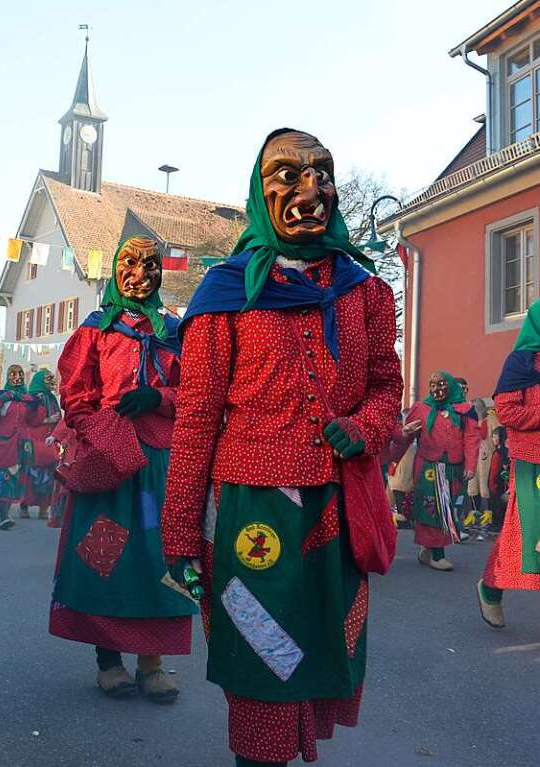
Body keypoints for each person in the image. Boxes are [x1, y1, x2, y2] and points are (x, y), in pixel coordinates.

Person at [161, 130, 403, 766]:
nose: (308, 190)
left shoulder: (365, 291)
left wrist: (368, 427)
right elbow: (195, 421)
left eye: (321, 174)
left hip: (334, 508)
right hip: (248, 511)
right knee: (261, 661)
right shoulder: (225, 291)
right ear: (258, 191)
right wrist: (180, 535)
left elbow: (385, 386)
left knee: (323, 649)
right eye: (287, 174)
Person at [50, 236, 197, 702]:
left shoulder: (174, 331)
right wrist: (106, 428)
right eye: (129, 264)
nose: (139, 274)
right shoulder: (96, 330)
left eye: (150, 265)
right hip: (110, 463)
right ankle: (108, 659)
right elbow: (75, 397)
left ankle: (152, 662)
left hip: (158, 463)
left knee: (158, 556)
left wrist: (160, 397)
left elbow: (196, 393)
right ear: (115, 270)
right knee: (105, 556)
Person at [478, 303, 540, 628]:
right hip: (533, 463)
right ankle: (491, 588)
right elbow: (508, 413)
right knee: (525, 537)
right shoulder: (521, 363)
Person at [388, 372, 480, 571]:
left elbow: (472, 439)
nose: (437, 389)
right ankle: (437, 554)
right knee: (435, 508)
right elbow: (406, 436)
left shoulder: (466, 410)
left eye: (441, 384)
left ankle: (427, 549)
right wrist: (392, 460)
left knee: (445, 510)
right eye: (433, 385)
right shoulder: (422, 408)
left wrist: (471, 466)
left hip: (453, 468)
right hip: (428, 466)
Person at [0, 365, 42, 529]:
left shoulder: (27, 398)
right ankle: (4, 515)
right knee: (2, 476)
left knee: (17, 477)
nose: (17, 378)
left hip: (21, 444)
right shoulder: (1, 395)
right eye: (13, 374)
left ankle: (6, 511)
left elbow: (34, 421)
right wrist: (3, 399)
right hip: (3, 442)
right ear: (8, 376)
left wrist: (38, 405)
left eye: (20, 374)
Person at [24, 369, 61, 521]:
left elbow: (58, 417)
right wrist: (48, 420)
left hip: (48, 440)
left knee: (48, 475)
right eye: (46, 379)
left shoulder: (51, 398)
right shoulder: (30, 398)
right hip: (32, 440)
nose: (50, 382)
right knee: (29, 475)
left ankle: (43, 508)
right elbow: (28, 419)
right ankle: (24, 505)